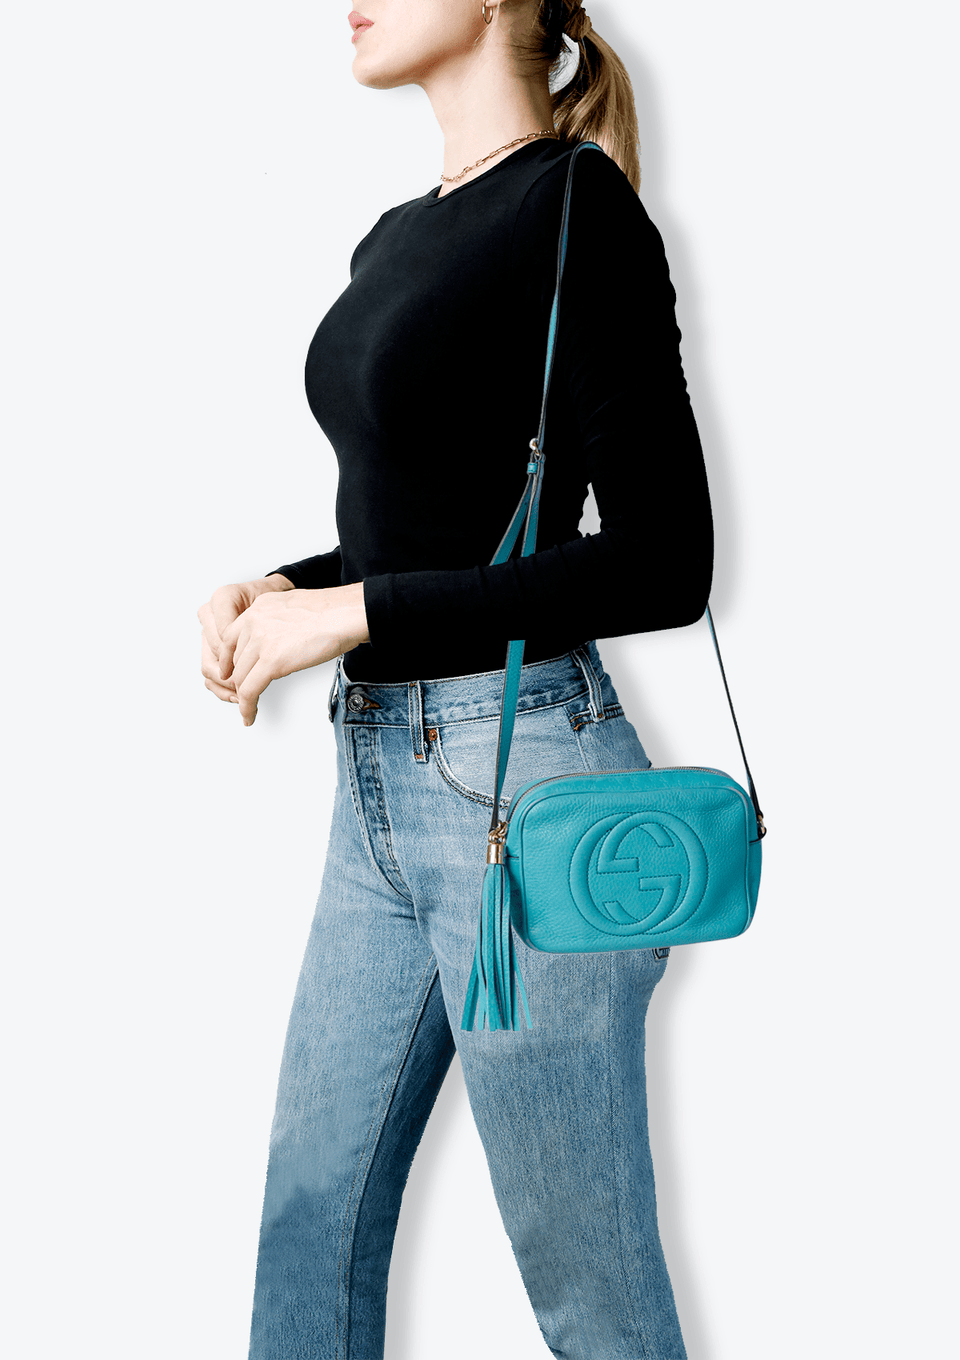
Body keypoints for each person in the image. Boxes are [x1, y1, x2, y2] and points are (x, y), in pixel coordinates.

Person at [198, 2, 713, 1356]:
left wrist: (356, 611)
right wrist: (288, 589)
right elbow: (429, 531)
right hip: (378, 781)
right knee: (308, 1231)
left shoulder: (577, 210)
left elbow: (665, 562)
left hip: (523, 789)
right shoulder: (396, 233)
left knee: (588, 1288)